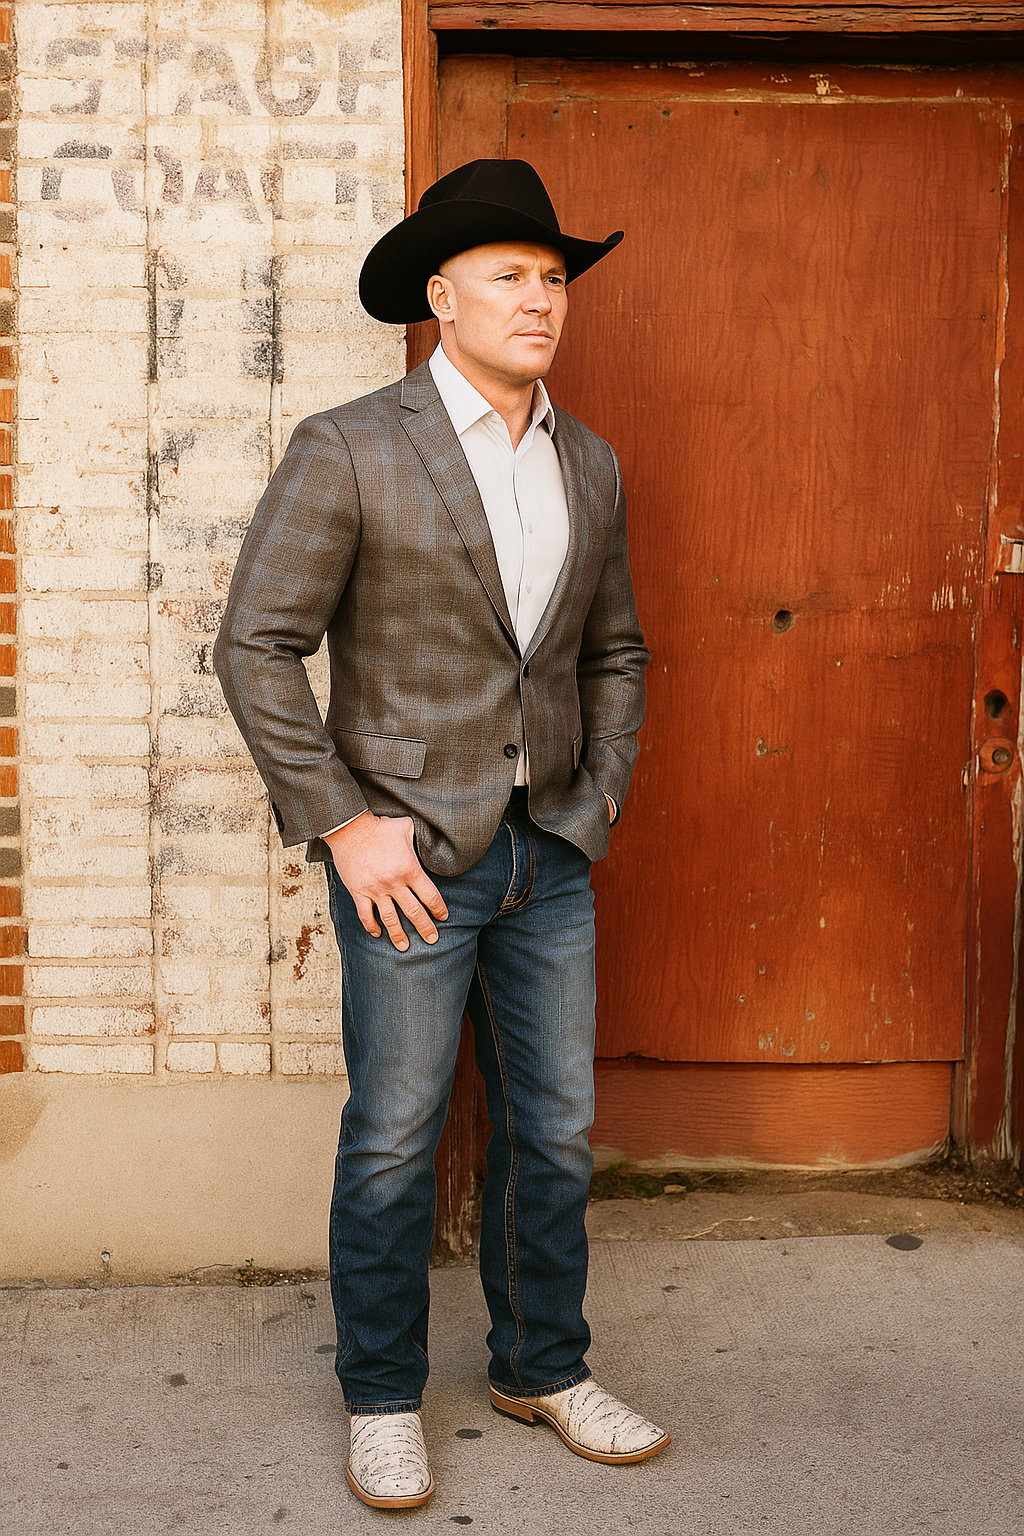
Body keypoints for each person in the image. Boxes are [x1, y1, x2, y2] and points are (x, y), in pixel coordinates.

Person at [213, 158, 666, 1511]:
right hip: (406, 859)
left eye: (556, 278)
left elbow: (616, 651)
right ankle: (380, 1395)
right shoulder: (353, 446)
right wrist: (348, 829)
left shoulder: (590, 460)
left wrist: (598, 796)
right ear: (441, 296)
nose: (542, 299)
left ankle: (541, 1366)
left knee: (556, 1131)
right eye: (511, 275)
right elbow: (256, 645)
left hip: (550, 853)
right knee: (396, 1136)